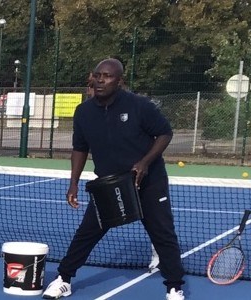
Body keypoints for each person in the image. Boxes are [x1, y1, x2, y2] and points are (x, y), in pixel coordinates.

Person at [41, 59, 185, 300]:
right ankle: (63, 279)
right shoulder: (84, 112)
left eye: (107, 76)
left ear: (119, 81)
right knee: (87, 232)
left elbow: (164, 133)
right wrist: (73, 183)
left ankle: (173, 286)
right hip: (110, 183)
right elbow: (80, 148)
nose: (100, 80)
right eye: (97, 75)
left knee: (162, 232)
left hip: (148, 181)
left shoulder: (140, 106)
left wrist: (145, 162)